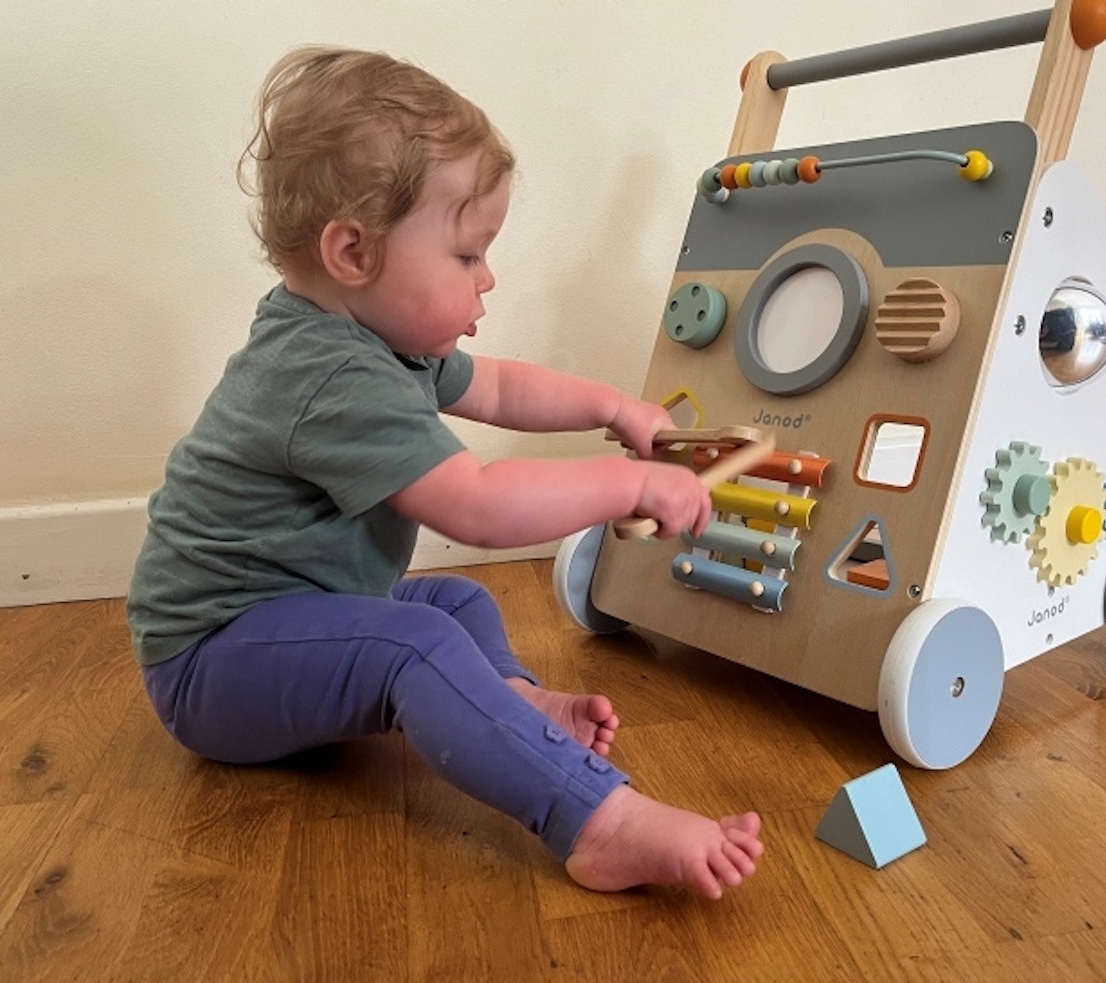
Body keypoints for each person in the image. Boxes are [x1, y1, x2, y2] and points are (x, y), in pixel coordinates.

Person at [126, 46, 763, 899]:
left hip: (289, 614)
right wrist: (634, 485)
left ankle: (510, 711)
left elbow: (498, 385)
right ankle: (598, 821)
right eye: (468, 256)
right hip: (213, 664)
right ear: (352, 252)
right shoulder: (329, 375)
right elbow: (479, 507)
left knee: (456, 603)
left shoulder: (375, 337)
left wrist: (614, 407)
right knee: (414, 642)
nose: (487, 277)